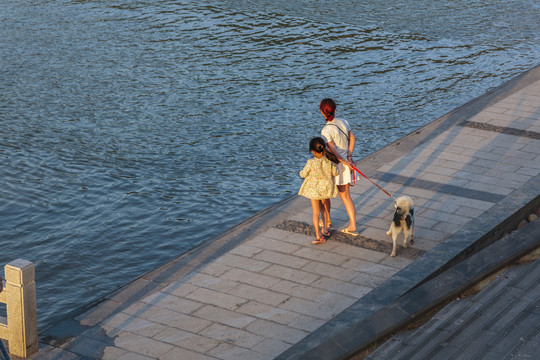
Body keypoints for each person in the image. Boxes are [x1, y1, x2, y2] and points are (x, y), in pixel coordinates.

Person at [319, 98, 358, 236]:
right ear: (335, 110)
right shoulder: (344, 122)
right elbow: (352, 139)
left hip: (334, 166)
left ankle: (327, 221)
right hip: (345, 164)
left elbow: (333, 151)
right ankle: (353, 224)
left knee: (325, 195)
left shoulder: (326, 130)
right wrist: (349, 156)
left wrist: (345, 162)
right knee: (346, 196)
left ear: (322, 112)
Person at [298, 137, 339, 244]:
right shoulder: (328, 161)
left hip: (314, 190)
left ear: (313, 151)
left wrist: (301, 173)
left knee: (315, 213)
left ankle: (318, 236)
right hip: (325, 189)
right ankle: (325, 229)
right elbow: (335, 173)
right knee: (324, 210)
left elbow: (303, 174)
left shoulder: (311, 162)